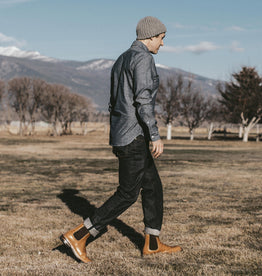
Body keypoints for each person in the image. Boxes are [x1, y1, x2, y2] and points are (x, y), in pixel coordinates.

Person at [60, 16, 182, 263]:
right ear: (150, 36)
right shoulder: (143, 58)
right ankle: (79, 235)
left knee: (153, 187)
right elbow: (143, 100)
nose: (162, 44)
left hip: (122, 134)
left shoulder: (122, 58)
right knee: (127, 193)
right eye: (161, 38)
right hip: (134, 136)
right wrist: (155, 135)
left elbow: (114, 102)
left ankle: (153, 243)